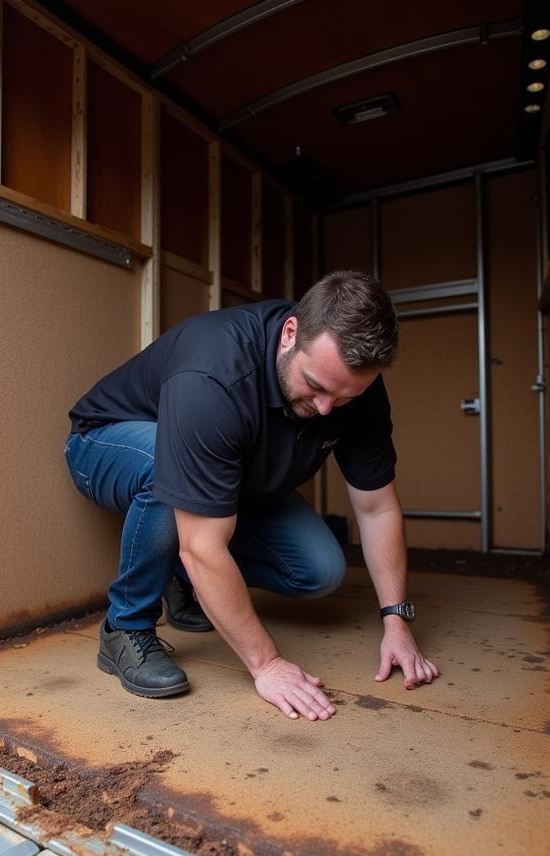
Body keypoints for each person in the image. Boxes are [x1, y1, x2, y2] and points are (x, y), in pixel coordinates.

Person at [64, 270, 439, 721]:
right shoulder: (212, 375)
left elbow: (377, 508)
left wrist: (396, 621)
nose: (325, 409)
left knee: (319, 570)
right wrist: (268, 665)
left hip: (232, 480)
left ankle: (186, 582)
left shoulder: (355, 391)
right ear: (290, 334)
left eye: (342, 399)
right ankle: (125, 627)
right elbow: (203, 543)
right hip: (104, 443)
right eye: (316, 386)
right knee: (171, 477)